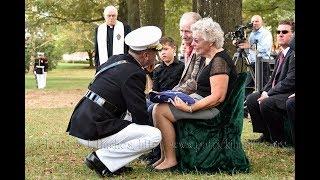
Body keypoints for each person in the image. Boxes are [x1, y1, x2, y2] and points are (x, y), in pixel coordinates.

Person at [66, 26, 162, 177]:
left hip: (81, 122)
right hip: (94, 129)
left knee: (130, 124)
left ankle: (114, 164)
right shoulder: (135, 73)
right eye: (154, 53)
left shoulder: (116, 59)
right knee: (154, 135)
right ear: (145, 55)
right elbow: (139, 113)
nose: (155, 57)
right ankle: (100, 159)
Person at [152, 17, 239, 171]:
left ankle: (170, 159)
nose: (192, 43)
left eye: (197, 41)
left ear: (210, 42)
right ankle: (164, 156)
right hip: (200, 101)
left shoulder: (220, 61)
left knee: (160, 111)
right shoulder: (210, 58)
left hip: (213, 110)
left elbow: (218, 97)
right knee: (158, 106)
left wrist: (190, 108)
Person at [246, 19, 295, 145]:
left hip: (288, 93)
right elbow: (272, 79)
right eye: (278, 31)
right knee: (252, 98)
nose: (280, 34)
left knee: (267, 102)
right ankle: (266, 135)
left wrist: (269, 94)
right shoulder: (280, 54)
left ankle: (280, 139)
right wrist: (264, 91)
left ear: (293, 34)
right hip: (277, 91)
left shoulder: (293, 54)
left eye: (284, 31)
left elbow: (290, 81)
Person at [172, 12, 205, 95]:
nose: (183, 35)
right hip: (184, 93)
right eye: (181, 31)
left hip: (195, 98)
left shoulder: (202, 50)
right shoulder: (187, 49)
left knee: (154, 107)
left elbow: (194, 83)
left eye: (187, 31)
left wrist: (172, 94)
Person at [94, 5, 131, 69]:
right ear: (105, 16)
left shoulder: (125, 28)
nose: (111, 18)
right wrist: (97, 65)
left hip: (121, 66)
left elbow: (129, 48)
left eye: (113, 15)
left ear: (117, 16)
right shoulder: (99, 29)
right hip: (103, 65)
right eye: (109, 16)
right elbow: (97, 48)